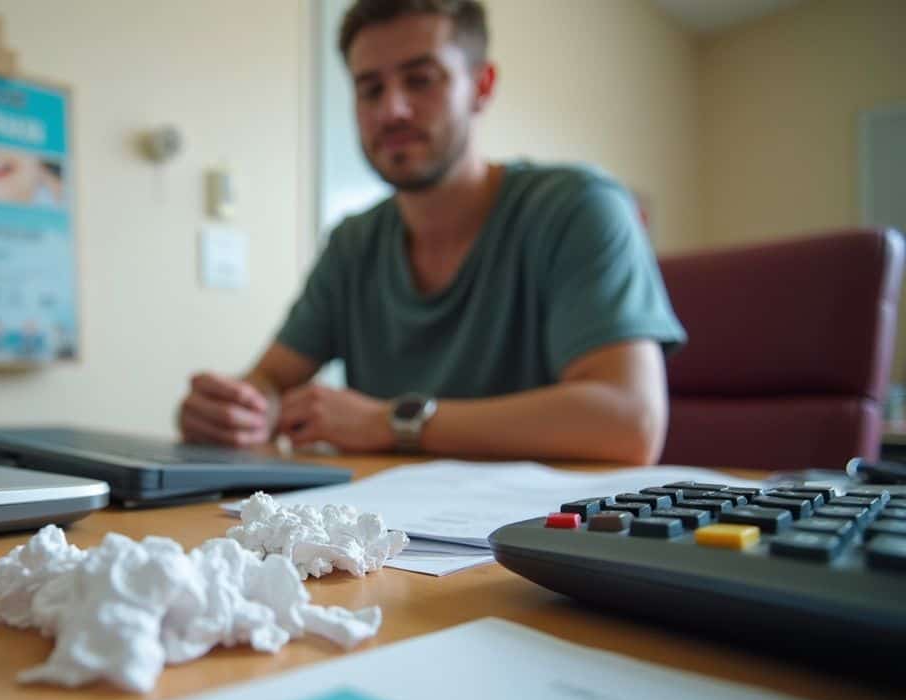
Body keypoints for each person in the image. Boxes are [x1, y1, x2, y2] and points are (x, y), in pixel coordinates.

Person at [178, 0, 686, 464]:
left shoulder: (577, 207)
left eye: (420, 79)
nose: (391, 109)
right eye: (369, 88)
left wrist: (389, 422)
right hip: (390, 544)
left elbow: (630, 422)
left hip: (541, 547)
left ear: (482, 86)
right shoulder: (353, 244)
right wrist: (239, 411)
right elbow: (269, 378)